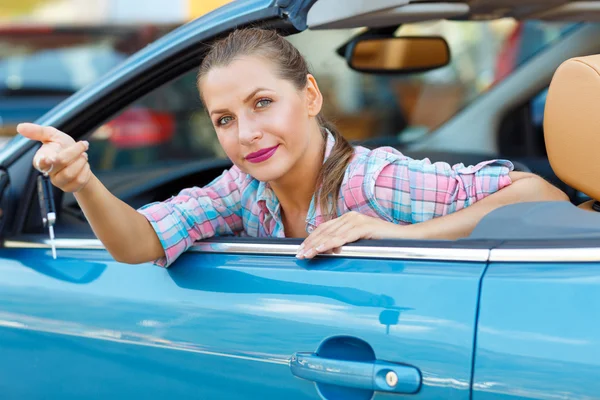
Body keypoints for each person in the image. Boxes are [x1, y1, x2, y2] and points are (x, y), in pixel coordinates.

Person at [17, 28, 568, 268]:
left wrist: (404, 235)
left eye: (262, 103)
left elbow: (537, 191)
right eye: (225, 119)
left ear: (308, 96)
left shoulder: (372, 180)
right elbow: (138, 243)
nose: (246, 133)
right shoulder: (242, 189)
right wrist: (83, 182)